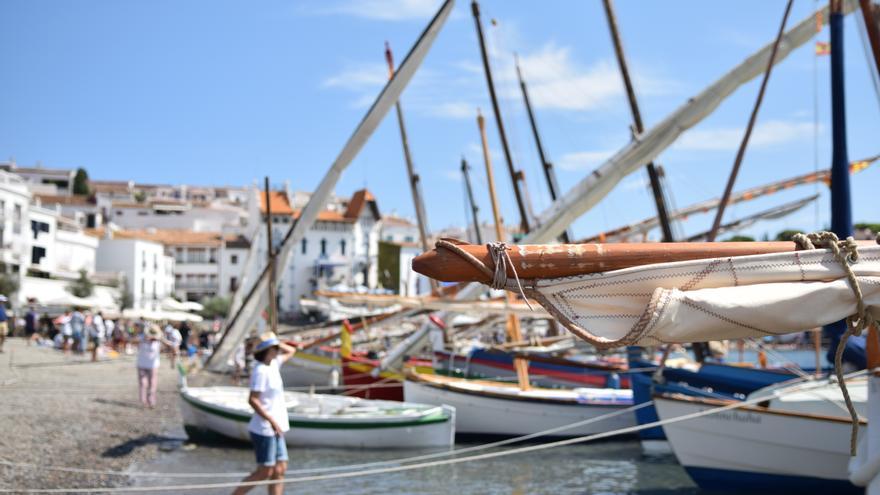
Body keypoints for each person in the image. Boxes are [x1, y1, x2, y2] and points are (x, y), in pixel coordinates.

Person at [232, 332, 296, 495]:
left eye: (276, 348)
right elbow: (253, 400)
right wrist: (271, 421)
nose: (276, 350)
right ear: (266, 351)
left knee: (280, 469)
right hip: (265, 428)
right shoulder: (260, 371)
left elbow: (292, 351)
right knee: (265, 470)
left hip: (278, 426)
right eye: (273, 348)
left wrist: (276, 342)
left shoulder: (274, 364)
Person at [136, 325, 170, 408]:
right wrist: (145, 338)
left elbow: (169, 345)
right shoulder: (142, 338)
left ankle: (151, 401)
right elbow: (132, 340)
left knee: (152, 384)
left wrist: (161, 338)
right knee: (143, 383)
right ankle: (143, 402)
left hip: (153, 365)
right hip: (142, 364)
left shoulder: (158, 341)